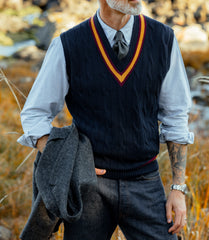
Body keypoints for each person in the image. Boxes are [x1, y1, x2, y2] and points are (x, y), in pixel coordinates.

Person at [18, 0, 194, 239]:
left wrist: (177, 188)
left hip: (145, 181)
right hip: (89, 187)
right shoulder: (68, 44)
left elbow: (176, 115)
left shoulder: (163, 38)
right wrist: (69, 161)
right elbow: (35, 114)